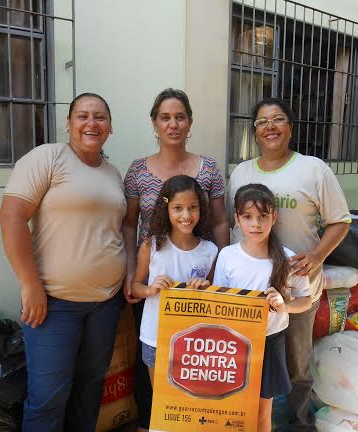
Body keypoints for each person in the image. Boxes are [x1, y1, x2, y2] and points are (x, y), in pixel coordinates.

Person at [0, 93, 129, 432]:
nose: (91, 123)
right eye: (83, 116)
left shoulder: (113, 174)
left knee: (89, 392)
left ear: (110, 127)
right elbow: (11, 218)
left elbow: (113, 231)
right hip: (54, 303)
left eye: (100, 117)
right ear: (68, 123)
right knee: (48, 399)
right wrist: (30, 285)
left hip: (105, 303)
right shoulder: (48, 158)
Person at [227, 97, 351, 431]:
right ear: (255, 132)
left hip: (297, 291)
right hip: (248, 293)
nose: (270, 127)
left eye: (278, 119)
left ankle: (298, 423)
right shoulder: (240, 173)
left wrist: (317, 255)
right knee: (242, 361)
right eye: (262, 122)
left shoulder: (313, 169)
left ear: (290, 128)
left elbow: (340, 221)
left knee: (297, 366)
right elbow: (231, 225)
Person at [122, 88, 229, 431]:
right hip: (155, 278)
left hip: (200, 280)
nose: (173, 124)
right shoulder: (138, 171)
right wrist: (132, 278)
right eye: (165, 117)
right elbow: (128, 224)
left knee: (195, 359)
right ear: (154, 123)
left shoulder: (209, 168)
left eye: (179, 116)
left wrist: (222, 275)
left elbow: (222, 221)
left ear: (190, 122)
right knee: (152, 359)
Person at [213, 183, 312, 432]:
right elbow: (218, 301)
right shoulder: (227, 255)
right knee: (231, 410)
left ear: (274, 217)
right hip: (232, 343)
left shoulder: (288, 258)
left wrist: (284, 305)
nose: (255, 224)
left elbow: (306, 299)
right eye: (247, 217)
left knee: (261, 414)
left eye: (262, 216)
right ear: (237, 219)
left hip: (269, 341)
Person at [131, 175, 218, 385]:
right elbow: (135, 287)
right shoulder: (150, 247)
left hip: (194, 342)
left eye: (193, 207)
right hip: (155, 338)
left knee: (188, 404)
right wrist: (150, 290)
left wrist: (206, 289)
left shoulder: (210, 251)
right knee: (161, 402)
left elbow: (217, 297)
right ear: (166, 209)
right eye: (178, 208)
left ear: (201, 209)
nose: (186, 215)